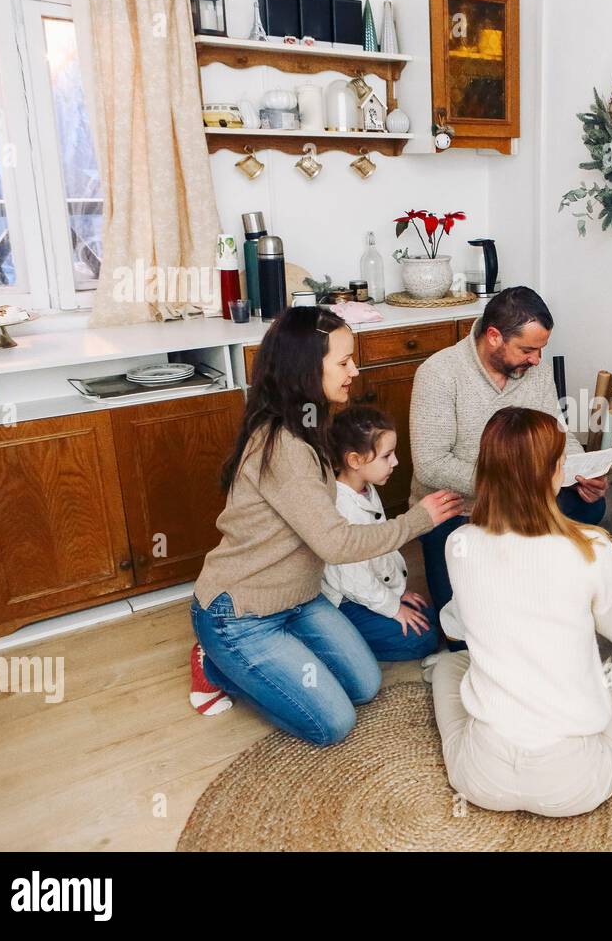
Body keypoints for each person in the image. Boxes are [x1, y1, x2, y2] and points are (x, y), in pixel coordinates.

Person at [188, 307, 462, 744]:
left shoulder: (308, 424)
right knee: (332, 723)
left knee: (365, 686)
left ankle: (278, 658)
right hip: (242, 613)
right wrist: (419, 520)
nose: (354, 370)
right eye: (343, 362)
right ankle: (214, 662)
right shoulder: (284, 445)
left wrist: (391, 588)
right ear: (306, 368)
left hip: (301, 598)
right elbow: (335, 543)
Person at [431, 407, 612, 816]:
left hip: (480, 779)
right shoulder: (590, 547)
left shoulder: (460, 543)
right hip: (571, 787)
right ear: (552, 474)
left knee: (448, 667)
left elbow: (473, 614)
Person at [409, 286, 607, 616]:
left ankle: (533, 583)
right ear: (494, 337)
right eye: (528, 350)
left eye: (541, 350)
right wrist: (516, 482)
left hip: (525, 499)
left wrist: (581, 470)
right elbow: (431, 466)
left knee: (591, 506)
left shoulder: (535, 370)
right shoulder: (439, 374)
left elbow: (558, 431)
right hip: (460, 511)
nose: (537, 360)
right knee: (460, 630)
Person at [321, 405, 439, 662]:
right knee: (423, 640)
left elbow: (381, 548)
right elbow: (355, 582)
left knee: (432, 615)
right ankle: (339, 643)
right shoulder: (342, 507)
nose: (395, 462)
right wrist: (393, 607)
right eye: (387, 456)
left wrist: (397, 591)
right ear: (355, 460)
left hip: (368, 591)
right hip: (349, 602)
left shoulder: (366, 488)